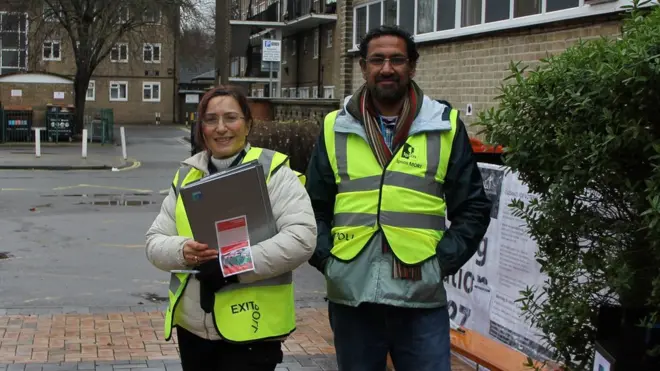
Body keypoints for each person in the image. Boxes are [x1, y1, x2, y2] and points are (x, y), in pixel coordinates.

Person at [305, 26, 492, 371]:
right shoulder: (335, 127)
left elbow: (474, 208)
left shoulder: (444, 125)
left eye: (397, 59)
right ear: (363, 67)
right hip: (353, 297)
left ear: (412, 66)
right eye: (377, 60)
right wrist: (328, 261)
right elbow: (311, 208)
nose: (386, 68)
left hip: (420, 297)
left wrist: (441, 263)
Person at [146, 85, 317, 371]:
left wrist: (230, 265)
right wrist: (183, 250)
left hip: (253, 327)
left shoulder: (274, 172)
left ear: (248, 124)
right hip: (194, 329)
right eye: (211, 119)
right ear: (201, 128)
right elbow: (154, 243)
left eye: (231, 118)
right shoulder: (186, 176)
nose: (221, 128)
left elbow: (301, 239)